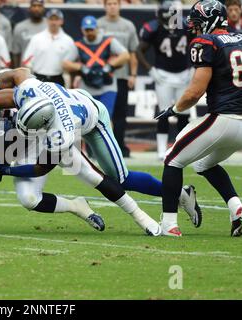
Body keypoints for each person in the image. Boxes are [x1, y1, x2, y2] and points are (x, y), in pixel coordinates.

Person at [0, 69, 202, 232]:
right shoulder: (31, 91)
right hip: (66, 108)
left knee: (121, 179)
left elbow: (40, 168)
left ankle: (180, 193)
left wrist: (5, 170)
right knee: (30, 197)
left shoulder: (61, 134)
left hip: (92, 119)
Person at [156, 0, 242, 237]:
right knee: (203, 164)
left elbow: (195, 91)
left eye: (197, 22)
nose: (193, 27)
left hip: (223, 120)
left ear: (210, 20)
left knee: (172, 158)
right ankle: (237, 209)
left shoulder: (207, 42)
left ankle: (169, 225)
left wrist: (174, 109)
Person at [137, 0, 191, 161]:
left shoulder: (186, 26)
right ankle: (161, 150)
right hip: (163, 75)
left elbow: (198, 45)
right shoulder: (154, 28)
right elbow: (139, 50)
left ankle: (182, 148)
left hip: (183, 74)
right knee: (164, 112)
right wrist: (150, 69)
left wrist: (194, 67)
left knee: (183, 113)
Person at [62, 15, 130, 117]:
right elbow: (65, 63)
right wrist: (80, 67)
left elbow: (125, 55)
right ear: (82, 30)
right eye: (87, 30)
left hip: (107, 85)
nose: (89, 32)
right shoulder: (78, 45)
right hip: (87, 86)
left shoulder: (108, 41)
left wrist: (110, 65)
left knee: (106, 116)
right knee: (88, 118)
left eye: (91, 30)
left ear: (97, 29)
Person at [97, 0, 139, 157]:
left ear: (119, 5)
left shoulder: (128, 25)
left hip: (121, 76)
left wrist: (133, 74)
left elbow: (132, 52)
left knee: (120, 115)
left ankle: (120, 148)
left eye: (115, 3)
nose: (112, 6)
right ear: (105, 6)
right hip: (102, 78)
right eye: (109, 4)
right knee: (101, 114)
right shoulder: (98, 24)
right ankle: (99, 149)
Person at [22, 9, 77, 86]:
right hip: (38, 78)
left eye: (56, 19)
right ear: (47, 21)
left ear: (61, 21)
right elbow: (27, 61)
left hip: (58, 78)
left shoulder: (68, 41)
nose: (53, 22)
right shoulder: (36, 38)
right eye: (51, 19)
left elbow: (71, 63)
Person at [11, 0, 46, 68]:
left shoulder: (49, 26)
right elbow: (16, 53)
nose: (36, 9)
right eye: (34, 6)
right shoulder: (20, 27)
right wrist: (17, 70)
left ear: (44, 9)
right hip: (25, 71)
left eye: (39, 6)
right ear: (29, 9)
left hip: (45, 70)